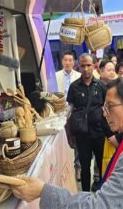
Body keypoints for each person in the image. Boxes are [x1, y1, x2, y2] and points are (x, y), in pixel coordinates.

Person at [12, 76, 123, 208]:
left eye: (110, 107)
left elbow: (98, 206)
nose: (105, 114)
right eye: (104, 108)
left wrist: (43, 191)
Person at [67, 53, 111, 192]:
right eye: (82, 66)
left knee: (102, 166)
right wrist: (69, 135)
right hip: (82, 135)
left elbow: (108, 109)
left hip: (99, 133)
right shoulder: (74, 87)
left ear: (94, 66)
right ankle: (85, 196)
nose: (85, 69)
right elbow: (70, 112)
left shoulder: (101, 86)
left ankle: (102, 193)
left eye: (88, 65)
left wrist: (109, 133)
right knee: (85, 168)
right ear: (78, 67)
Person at [55, 51, 82, 181]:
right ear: (62, 61)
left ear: (74, 62)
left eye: (70, 60)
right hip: (59, 113)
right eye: (65, 60)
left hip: (75, 112)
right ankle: (61, 166)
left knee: (77, 140)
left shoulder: (79, 76)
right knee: (60, 140)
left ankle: (78, 167)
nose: (67, 63)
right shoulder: (55, 76)